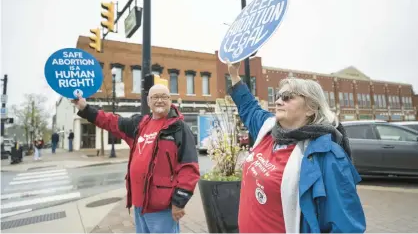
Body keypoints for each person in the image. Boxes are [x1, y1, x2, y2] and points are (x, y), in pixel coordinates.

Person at [226, 60, 366, 233]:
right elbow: (249, 107)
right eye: (278, 96)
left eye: (287, 97)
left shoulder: (326, 156)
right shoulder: (269, 128)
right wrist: (233, 74)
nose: (278, 101)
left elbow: (346, 226)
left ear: (310, 109)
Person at [72, 84, 200, 233]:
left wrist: (179, 202)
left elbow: (189, 169)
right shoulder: (139, 124)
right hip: (139, 203)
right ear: (148, 101)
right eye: (155, 97)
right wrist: (85, 108)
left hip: (162, 206)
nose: (160, 100)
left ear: (170, 100)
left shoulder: (178, 128)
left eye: (164, 97)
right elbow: (111, 121)